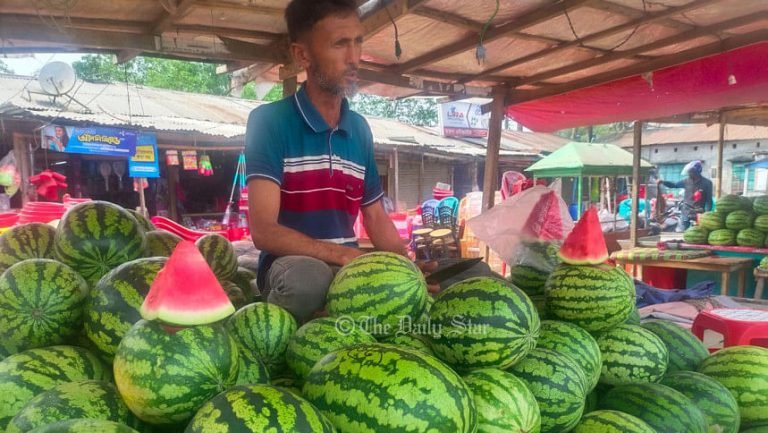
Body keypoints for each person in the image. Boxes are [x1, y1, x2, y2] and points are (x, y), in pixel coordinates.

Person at [244, 0, 412, 323]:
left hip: (346, 266)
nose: (354, 59)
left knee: (461, 275)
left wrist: (408, 268)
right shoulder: (269, 122)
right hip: (290, 266)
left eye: (358, 42)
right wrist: (344, 256)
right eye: (340, 44)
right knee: (309, 283)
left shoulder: (359, 129)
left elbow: (375, 217)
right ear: (302, 55)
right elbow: (263, 230)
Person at [656, 160, 713, 229]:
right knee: (683, 230)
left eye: (691, 172)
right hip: (686, 212)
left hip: (699, 212)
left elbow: (709, 200)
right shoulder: (686, 181)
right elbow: (674, 185)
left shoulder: (707, 183)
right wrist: (663, 182)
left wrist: (707, 214)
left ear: (697, 172)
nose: (689, 174)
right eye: (689, 172)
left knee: (698, 232)